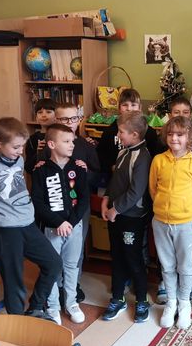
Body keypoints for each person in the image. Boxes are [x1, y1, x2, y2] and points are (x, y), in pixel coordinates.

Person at [0, 117, 62, 318]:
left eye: (22, 146)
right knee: (14, 281)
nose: (20, 151)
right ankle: (17, 322)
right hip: (5, 230)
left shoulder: (18, 160)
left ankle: (35, 307)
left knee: (54, 263)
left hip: (27, 224)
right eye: (15, 147)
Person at [150, 116, 192, 329]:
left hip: (185, 223)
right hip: (160, 222)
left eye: (180, 135)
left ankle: (184, 303)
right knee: (167, 265)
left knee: (185, 265)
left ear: (189, 138)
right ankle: (171, 302)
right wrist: (161, 206)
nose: (174, 138)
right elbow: (153, 188)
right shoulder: (158, 160)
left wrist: (191, 212)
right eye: (171, 134)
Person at [31, 124, 89, 325]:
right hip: (51, 229)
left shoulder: (78, 168)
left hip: (74, 227)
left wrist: (70, 223)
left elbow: (84, 200)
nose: (72, 145)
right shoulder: (41, 170)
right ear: (52, 144)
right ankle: (53, 306)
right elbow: (37, 202)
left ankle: (71, 303)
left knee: (71, 266)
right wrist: (58, 222)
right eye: (66, 141)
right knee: (52, 268)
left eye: (72, 141)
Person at [100, 111, 152, 323]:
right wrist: (106, 199)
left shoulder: (143, 157)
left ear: (135, 134)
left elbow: (136, 191)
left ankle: (142, 300)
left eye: (121, 132)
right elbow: (115, 182)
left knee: (133, 258)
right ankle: (117, 298)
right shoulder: (122, 153)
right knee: (117, 256)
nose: (118, 135)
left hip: (132, 217)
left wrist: (116, 209)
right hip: (116, 216)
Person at [54, 102, 99, 303]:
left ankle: (73, 284)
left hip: (80, 206)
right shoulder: (49, 144)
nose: (69, 123)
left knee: (76, 247)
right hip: (55, 206)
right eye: (64, 119)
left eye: (73, 118)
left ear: (79, 120)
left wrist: (86, 172)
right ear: (57, 120)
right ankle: (57, 285)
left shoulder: (86, 146)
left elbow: (97, 174)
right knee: (55, 247)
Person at [96, 88, 161, 181]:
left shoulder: (150, 133)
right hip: (116, 177)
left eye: (133, 105)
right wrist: (111, 167)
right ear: (119, 108)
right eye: (125, 105)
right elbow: (101, 155)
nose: (129, 108)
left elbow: (154, 157)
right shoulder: (109, 131)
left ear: (140, 108)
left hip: (141, 178)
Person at [24, 98, 57, 175]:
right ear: (36, 118)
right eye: (40, 112)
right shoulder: (32, 139)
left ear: (56, 116)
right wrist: (38, 153)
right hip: (40, 177)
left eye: (48, 112)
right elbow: (28, 168)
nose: (44, 115)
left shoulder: (60, 135)